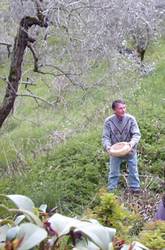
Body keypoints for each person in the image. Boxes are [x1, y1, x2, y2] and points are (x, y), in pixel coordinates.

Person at [102, 99, 141, 192]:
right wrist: (108, 147)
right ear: (114, 110)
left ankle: (135, 189)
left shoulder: (131, 119)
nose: (123, 110)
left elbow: (137, 134)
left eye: (124, 107)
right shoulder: (108, 121)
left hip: (130, 150)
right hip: (115, 151)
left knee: (133, 171)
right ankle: (111, 192)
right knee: (113, 173)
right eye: (120, 108)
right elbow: (105, 137)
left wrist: (131, 144)